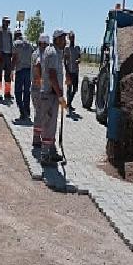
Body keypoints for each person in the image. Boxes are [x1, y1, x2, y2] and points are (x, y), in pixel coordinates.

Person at [35, 29, 67, 165]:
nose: (65, 41)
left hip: (51, 94)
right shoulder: (53, 53)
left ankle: (52, 151)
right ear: (57, 39)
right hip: (50, 95)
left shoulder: (55, 52)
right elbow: (53, 75)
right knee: (48, 125)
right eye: (63, 39)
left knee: (52, 125)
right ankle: (45, 155)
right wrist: (60, 95)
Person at [12, 29, 34, 123]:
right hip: (29, 71)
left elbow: (15, 58)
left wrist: (11, 70)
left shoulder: (16, 44)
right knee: (26, 92)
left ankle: (22, 112)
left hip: (20, 71)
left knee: (17, 92)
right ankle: (27, 111)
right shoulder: (29, 44)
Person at [32, 33, 50, 147]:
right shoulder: (41, 54)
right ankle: (37, 138)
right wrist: (41, 81)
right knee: (40, 114)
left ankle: (37, 136)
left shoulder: (35, 52)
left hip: (35, 87)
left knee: (38, 113)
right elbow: (38, 65)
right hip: (38, 88)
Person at [0, 16, 14, 102]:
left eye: (8, 22)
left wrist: (12, 54)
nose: (7, 24)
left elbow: (11, 43)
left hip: (8, 56)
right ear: (2, 22)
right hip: (1, 55)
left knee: (8, 76)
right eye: (6, 22)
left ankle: (7, 93)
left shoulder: (10, 32)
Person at [63, 31, 81, 113]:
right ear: (69, 38)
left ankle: (69, 103)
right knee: (69, 89)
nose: (72, 39)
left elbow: (79, 57)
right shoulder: (67, 48)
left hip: (76, 71)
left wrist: (78, 60)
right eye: (71, 37)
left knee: (75, 89)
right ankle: (68, 105)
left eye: (73, 37)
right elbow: (65, 61)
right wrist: (67, 72)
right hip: (69, 71)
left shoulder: (77, 48)